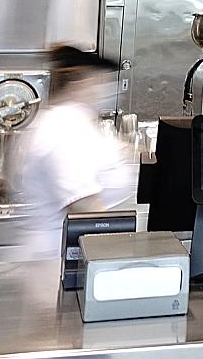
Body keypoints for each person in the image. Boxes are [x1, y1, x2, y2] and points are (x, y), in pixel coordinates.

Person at [17, 45, 135, 261]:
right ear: (81, 81)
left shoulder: (76, 122)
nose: (107, 88)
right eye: (101, 81)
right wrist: (119, 257)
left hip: (70, 255)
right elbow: (84, 206)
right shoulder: (65, 127)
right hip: (59, 262)